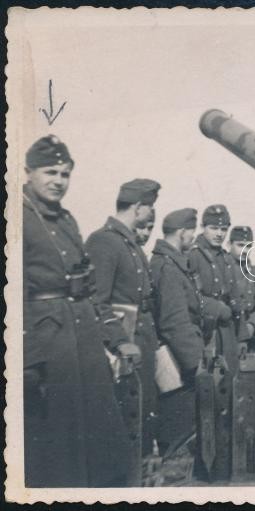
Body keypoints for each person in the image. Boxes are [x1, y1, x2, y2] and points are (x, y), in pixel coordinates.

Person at [22, 135, 133, 487]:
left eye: (65, 174)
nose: (58, 181)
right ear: (28, 172)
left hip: (83, 339)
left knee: (100, 441)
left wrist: (117, 339)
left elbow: (91, 287)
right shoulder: (18, 217)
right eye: (50, 172)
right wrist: (28, 361)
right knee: (58, 447)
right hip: (49, 344)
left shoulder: (67, 220)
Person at [85, 178, 162, 451]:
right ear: (139, 207)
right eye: (150, 207)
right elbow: (96, 299)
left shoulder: (129, 243)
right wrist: (118, 341)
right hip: (122, 347)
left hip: (141, 341)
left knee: (142, 410)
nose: (151, 213)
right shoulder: (104, 241)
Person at [150, 208, 206, 449]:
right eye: (191, 232)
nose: (193, 237)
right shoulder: (169, 267)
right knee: (180, 435)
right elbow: (174, 322)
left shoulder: (169, 263)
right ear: (182, 232)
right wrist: (198, 364)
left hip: (178, 359)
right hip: (177, 364)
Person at [187, 205, 242, 372]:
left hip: (226, 333)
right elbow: (187, 296)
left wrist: (242, 337)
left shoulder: (226, 258)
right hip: (203, 331)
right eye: (213, 228)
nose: (219, 234)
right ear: (202, 227)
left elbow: (235, 299)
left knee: (230, 378)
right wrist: (216, 308)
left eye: (224, 229)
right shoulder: (192, 255)